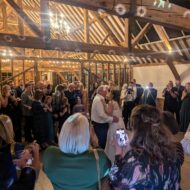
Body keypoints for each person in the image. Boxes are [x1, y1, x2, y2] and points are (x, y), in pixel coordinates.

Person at [109, 105, 181, 189]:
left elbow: (115, 184)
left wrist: (119, 154)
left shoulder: (135, 160)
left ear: (135, 129)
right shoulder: (173, 154)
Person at [43, 113, 110, 190]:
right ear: (87, 135)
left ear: (63, 132)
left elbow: (45, 169)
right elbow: (108, 172)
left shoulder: (49, 154)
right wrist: (95, 144)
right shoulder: (99, 157)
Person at [104, 90, 126, 164]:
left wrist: (104, 106)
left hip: (115, 124)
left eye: (110, 92)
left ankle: (112, 159)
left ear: (112, 95)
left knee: (113, 141)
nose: (108, 93)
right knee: (121, 141)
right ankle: (122, 158)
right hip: (121, 122)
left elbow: (109, 112)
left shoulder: (111, 102)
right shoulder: (118, 102)